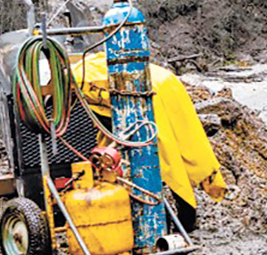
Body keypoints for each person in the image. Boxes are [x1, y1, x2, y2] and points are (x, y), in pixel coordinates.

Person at [72, 52, 227, 233]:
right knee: (187, 144)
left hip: (148, 92)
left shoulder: (78, 81)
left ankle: (184, 217)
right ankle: (187, 216)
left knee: (167, 158)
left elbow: (105, 124)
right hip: (163, 82)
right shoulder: (83, 68)